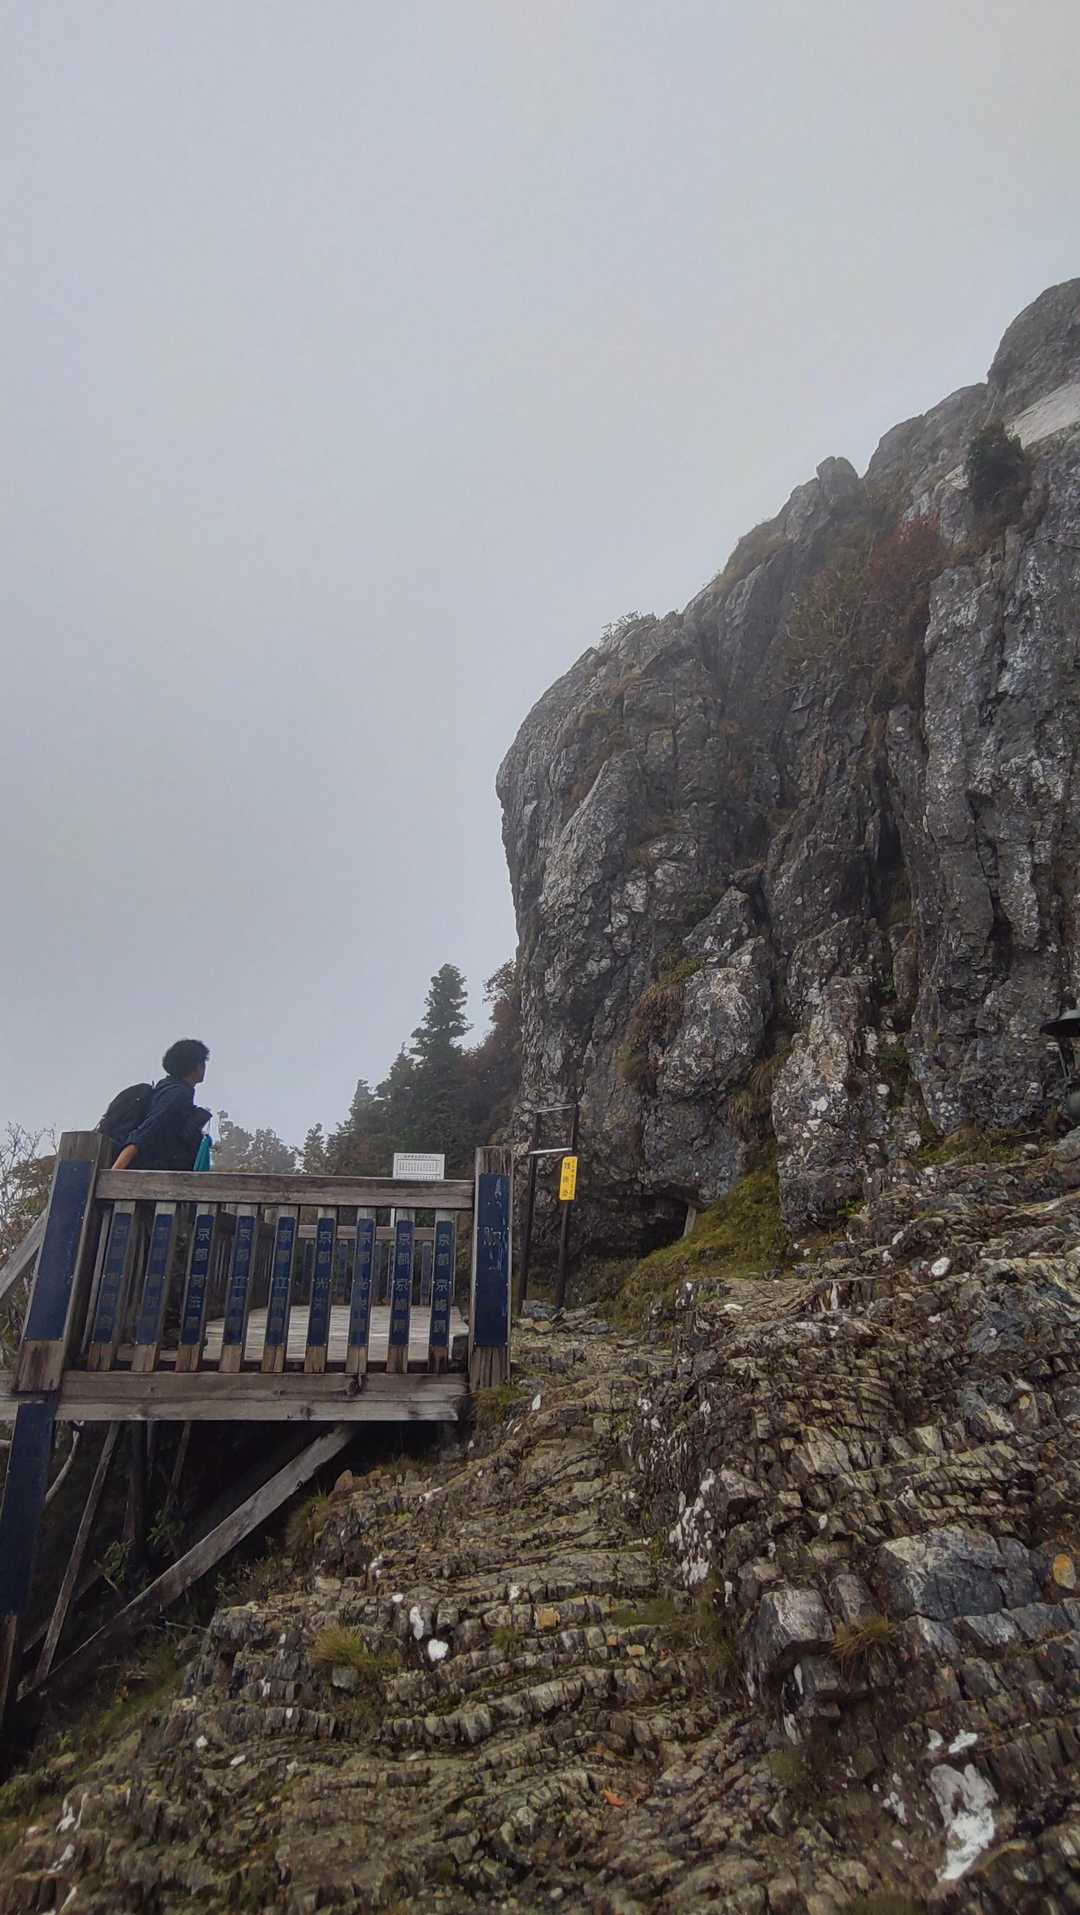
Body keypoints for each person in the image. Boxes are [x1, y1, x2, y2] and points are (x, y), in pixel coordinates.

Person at [111, 1039, 212, 1171]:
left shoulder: (168, 1088)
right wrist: (115, 1172)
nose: (204, 1067)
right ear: (194, 1066)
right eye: (202, 1062)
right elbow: (146, 1131)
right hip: (155, 1172)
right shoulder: (177, 1093)